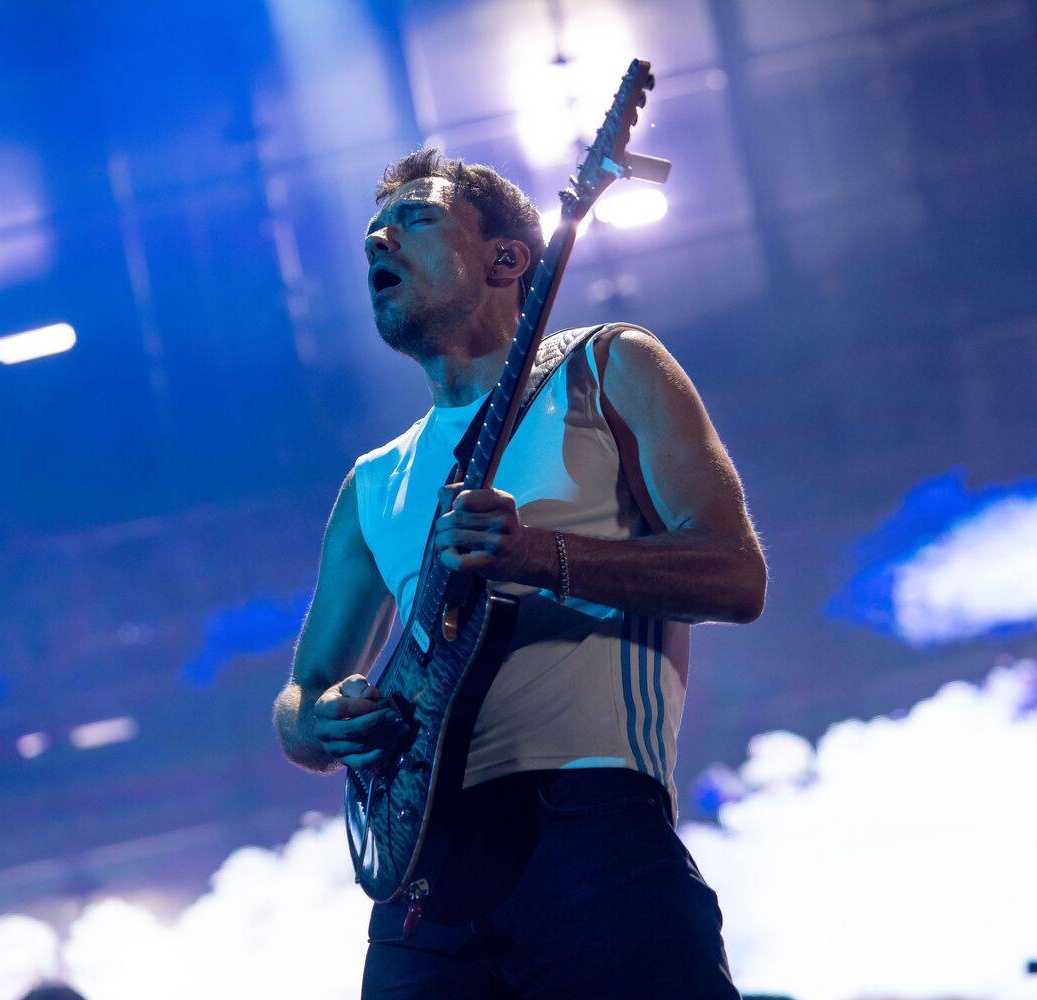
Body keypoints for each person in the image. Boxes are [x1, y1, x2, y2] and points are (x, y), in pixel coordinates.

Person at [272, 148, 767, 999]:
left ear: (506, 258)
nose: (380, 240)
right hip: (422, 888)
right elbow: (301, 695)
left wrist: (538, 555)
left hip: (595, 834)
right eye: (373, 235)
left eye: (416, 219)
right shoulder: (372, 483)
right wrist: (325, 719)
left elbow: (736, 576)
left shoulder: (608, 365)